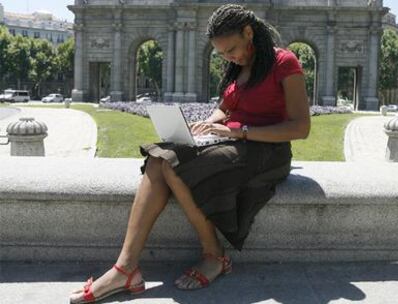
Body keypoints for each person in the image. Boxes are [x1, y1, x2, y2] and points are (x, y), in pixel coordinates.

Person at [69, 4, 310, 303]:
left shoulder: (284, 61)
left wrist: (239, 130)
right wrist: (210, 123)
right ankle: (125, 267)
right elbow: (227, 105)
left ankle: (214, 255)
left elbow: (300, 127)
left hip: (267, 152)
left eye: (231, 49)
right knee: (158, 159)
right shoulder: (239, 66)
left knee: (171, 165)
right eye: (221, 54)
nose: (228, 57)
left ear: (249, 32)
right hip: (236, 143)